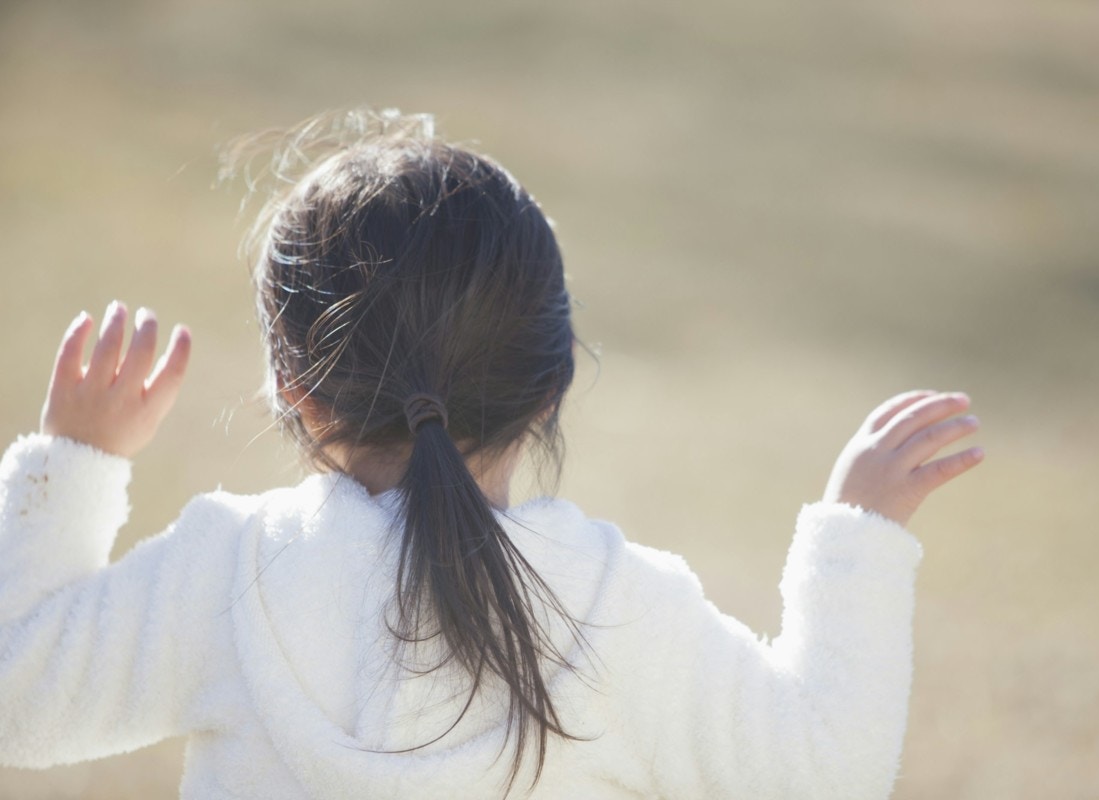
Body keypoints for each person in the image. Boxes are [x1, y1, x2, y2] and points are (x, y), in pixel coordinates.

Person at [0, 109, 983, 799]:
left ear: (293, 390)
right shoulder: (613, 610)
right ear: (549, 387)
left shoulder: (223, 572)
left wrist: (74, 461)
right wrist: (858, 537)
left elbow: (20, 699)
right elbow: (823, 771)